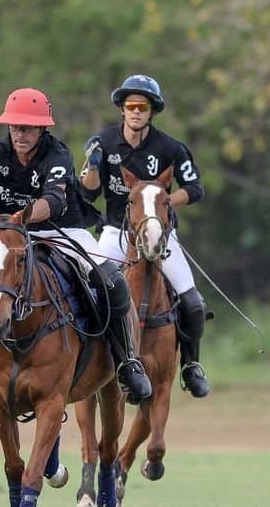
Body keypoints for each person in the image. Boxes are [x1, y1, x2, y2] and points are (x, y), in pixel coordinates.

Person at [0, 87, 152, 404]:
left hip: (61, 230)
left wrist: (21, 217)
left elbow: (54, 200)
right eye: (15, 127)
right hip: (9, 235)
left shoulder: (57, 155)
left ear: (41, 129)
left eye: (28, 128)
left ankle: (127, 361)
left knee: (112, 282)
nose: (20, 134)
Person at [79, 74, 210, 397]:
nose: (136, 111)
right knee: (91, 292)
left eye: (142, 106)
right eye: (130, 105)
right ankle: (87, 361)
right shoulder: (103, 143)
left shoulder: (170, 148)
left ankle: (191, 365)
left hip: (160, 236)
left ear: (152, 111)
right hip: (115, 233)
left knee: (192, 302)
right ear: (122, 109)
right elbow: (88, 193)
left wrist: (162, 201)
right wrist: (92, 167)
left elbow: (194, 188)